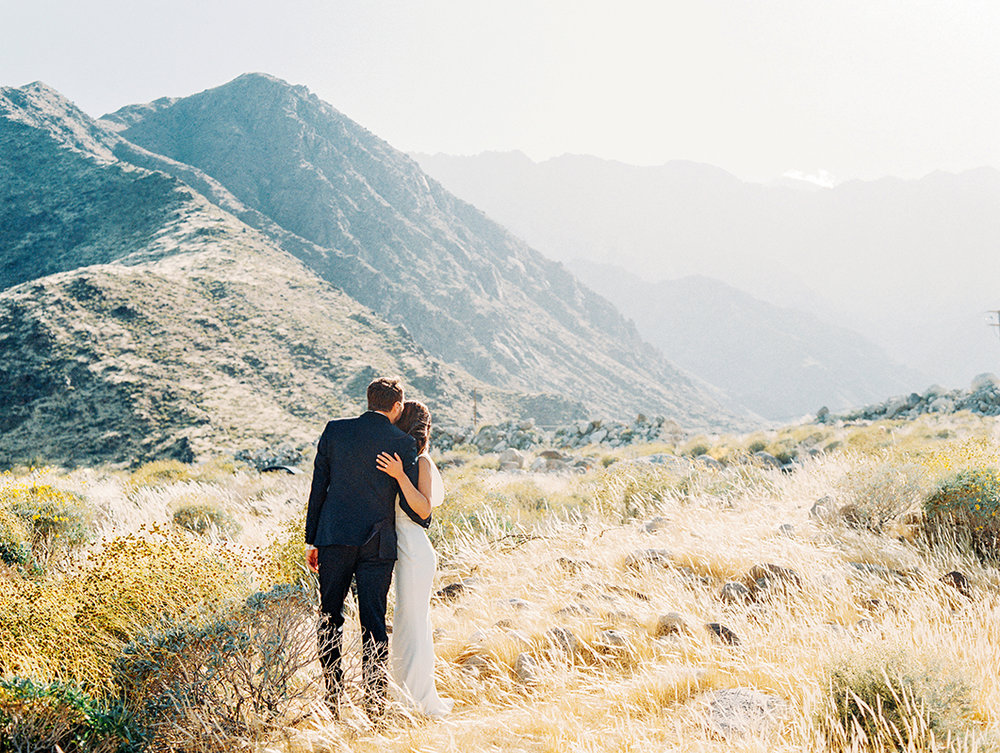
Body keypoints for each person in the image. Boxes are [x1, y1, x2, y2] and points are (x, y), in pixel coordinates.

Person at [305, 378, 429, 716]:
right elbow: (411, 504)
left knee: (330, 617)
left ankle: (333, 697)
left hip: (333, 538)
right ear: (397, 406)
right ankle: (374, 705)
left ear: (369, 399)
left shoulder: (334, 431)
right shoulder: (402, 443)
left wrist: (312, 539)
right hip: (378, 544)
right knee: (373, 622)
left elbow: (319, 487)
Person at [375, 400, 453, 717]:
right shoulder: (395, 460)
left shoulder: (421, 463)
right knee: (408, 623)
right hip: (400, 551)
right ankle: (407, 695)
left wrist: (399, 477)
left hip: (416, 552)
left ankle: (418, 700)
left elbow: (423, 509)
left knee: (414, 624)